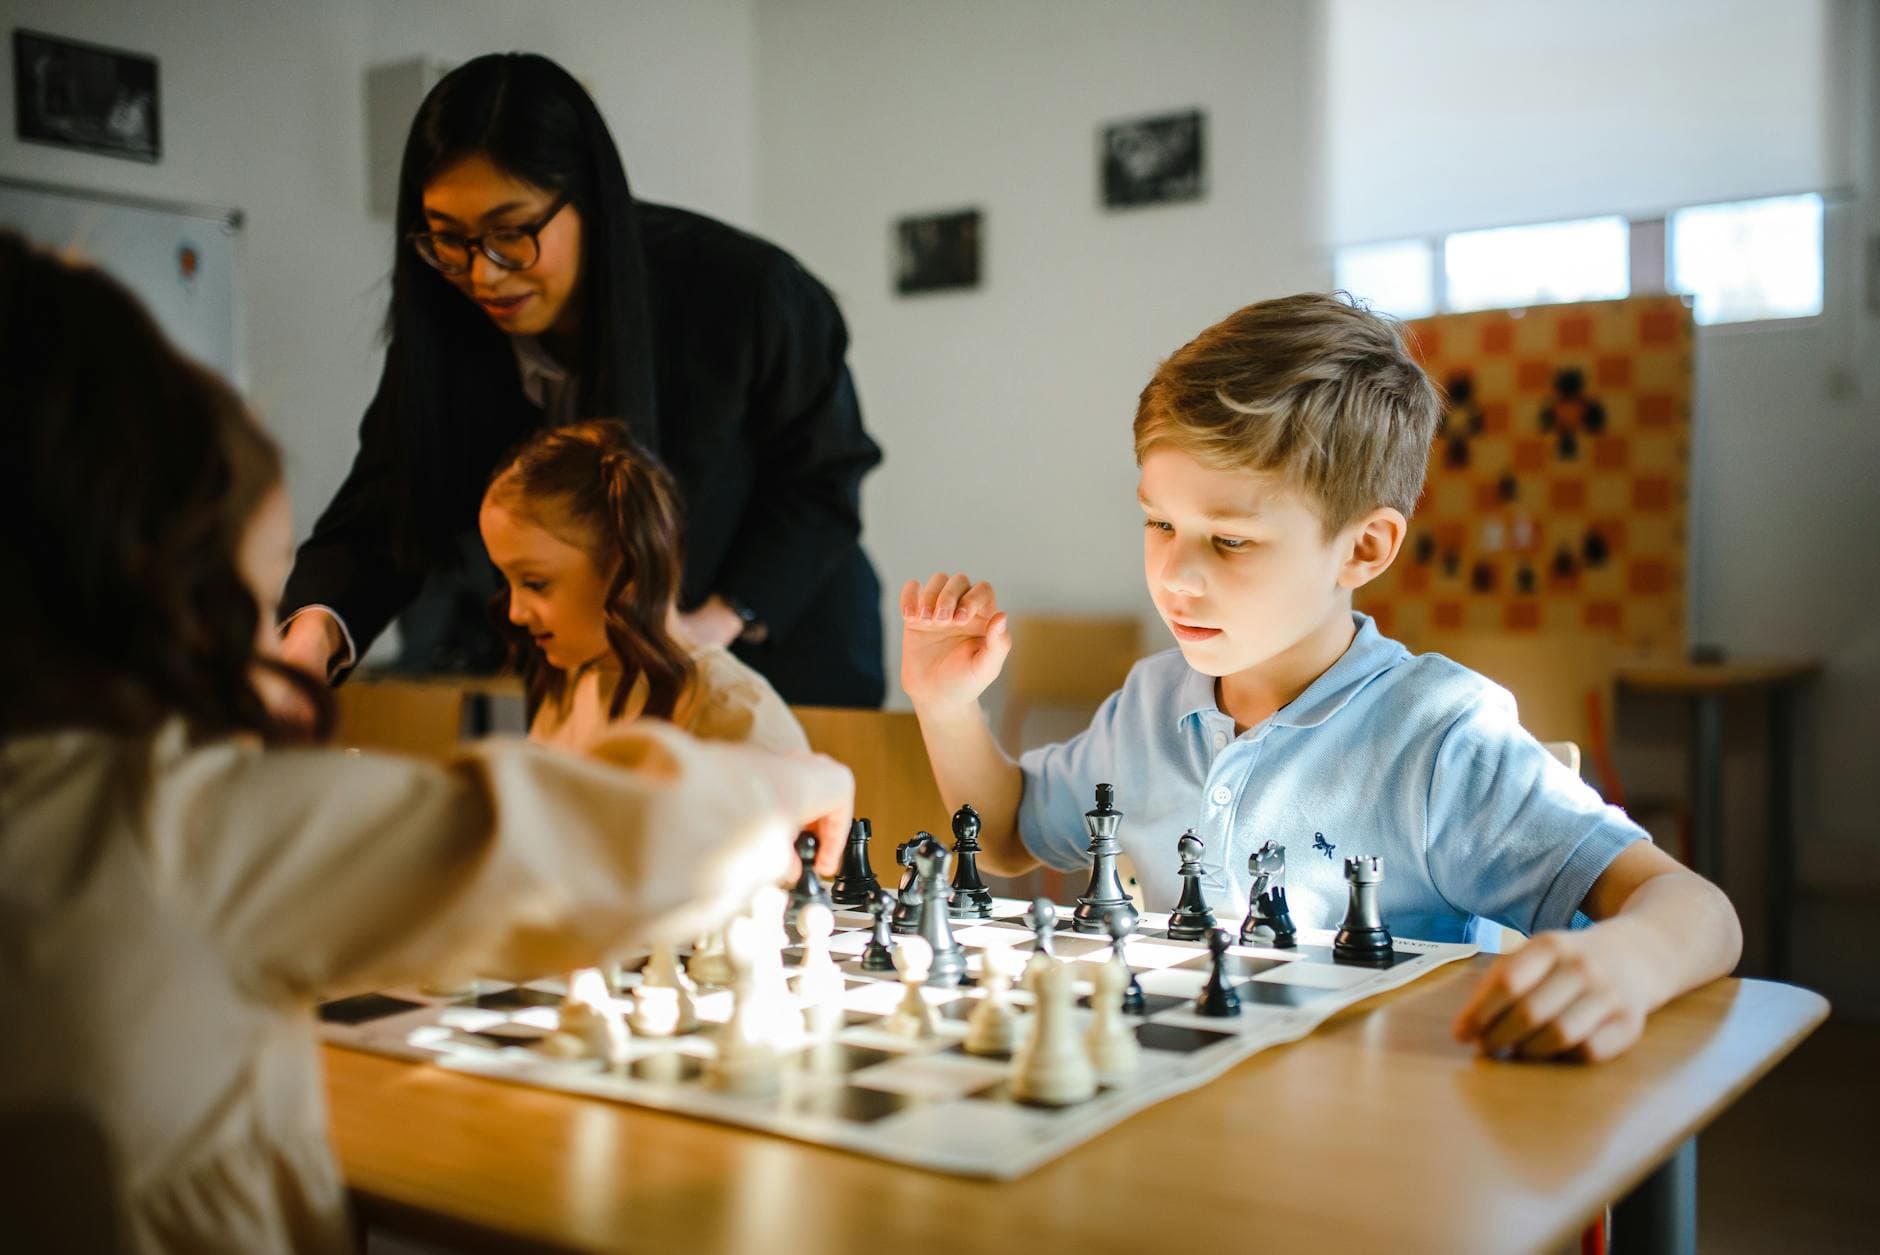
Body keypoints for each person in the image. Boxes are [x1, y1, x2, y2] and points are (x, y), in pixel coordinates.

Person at [0, 235, 851, 1253]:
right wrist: (798, 779)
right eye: (256, 590)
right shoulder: (178, 823)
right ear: (152, 592)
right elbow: (551, 842)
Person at [898, 293, 1742, 1063]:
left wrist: (1630, 960)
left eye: (1229, 539)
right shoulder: (1151, 705)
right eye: (1159, 522)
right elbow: (1005, 834)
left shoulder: (1440, 735)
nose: (1175, 576)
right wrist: (946, 705)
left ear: (1364, 548)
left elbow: (1695, 906)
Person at [280, 52, 883, 707]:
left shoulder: (746, 293)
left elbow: (825, 480)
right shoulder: (451, 324)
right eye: (448, 239)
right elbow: (386, 503)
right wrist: (312, 639)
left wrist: (710, 621)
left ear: (590, 201)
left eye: (511, 233)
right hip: (597, 680)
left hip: (782, 659)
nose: (482, 274)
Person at [481, 418, 808, 755]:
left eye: (536, 583)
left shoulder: (734, 713)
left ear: (625, 567)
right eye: (508, 582)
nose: (515, 613)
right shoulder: (571, 686)